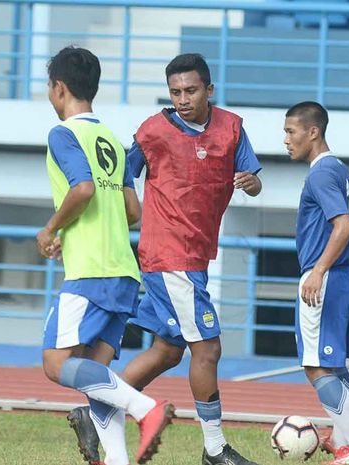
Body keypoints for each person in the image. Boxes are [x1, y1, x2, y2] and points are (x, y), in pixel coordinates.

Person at [69, 52, 263, 465]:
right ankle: (215, 448)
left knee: (168, 351)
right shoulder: (154, 131)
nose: (182, 99)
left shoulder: (232, 127)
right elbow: (121, 174)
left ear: (209, 90)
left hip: (196, 254)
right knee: (207, 350)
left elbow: (256, 181)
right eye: (175, 92)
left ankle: (94, 409)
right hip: (169, 253)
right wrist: (130, 213)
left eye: (190, 90)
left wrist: (251, 183)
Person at [37, 46, 174, 465]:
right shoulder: (112, 141)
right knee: (96, 380)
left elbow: (83, 189)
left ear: (59, 89)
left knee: (55, 363)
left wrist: (51, 228)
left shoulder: (64, 134)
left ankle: (146, 409)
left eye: (48, 87)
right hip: (122, 269)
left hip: (91, 269)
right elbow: (133, 211)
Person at [284, 101, 349, 465]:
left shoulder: (320, 174)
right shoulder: (340, 168)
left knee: (316, 366)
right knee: (333, 365)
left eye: (291, 132)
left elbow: (342, 226)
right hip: (347, 276)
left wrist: (318, 270)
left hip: (328, 277)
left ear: (313, 132)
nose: (286, 140)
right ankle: (342, 441)